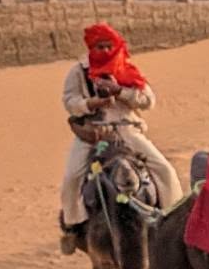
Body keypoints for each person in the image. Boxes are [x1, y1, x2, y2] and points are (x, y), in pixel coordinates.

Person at [58, 24, 181, 253]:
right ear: (91, 47)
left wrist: (119, 91)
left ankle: (174, 222)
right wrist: (90, 104)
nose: (105, 51)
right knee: (72, 176)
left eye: (108, 46)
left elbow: (148, 101)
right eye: (99, 46)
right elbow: (69, 101)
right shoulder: (78, 72)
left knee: (164, 169)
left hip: (127, 131)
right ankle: (73, 228)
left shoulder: (127, 69)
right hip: (94, 133)